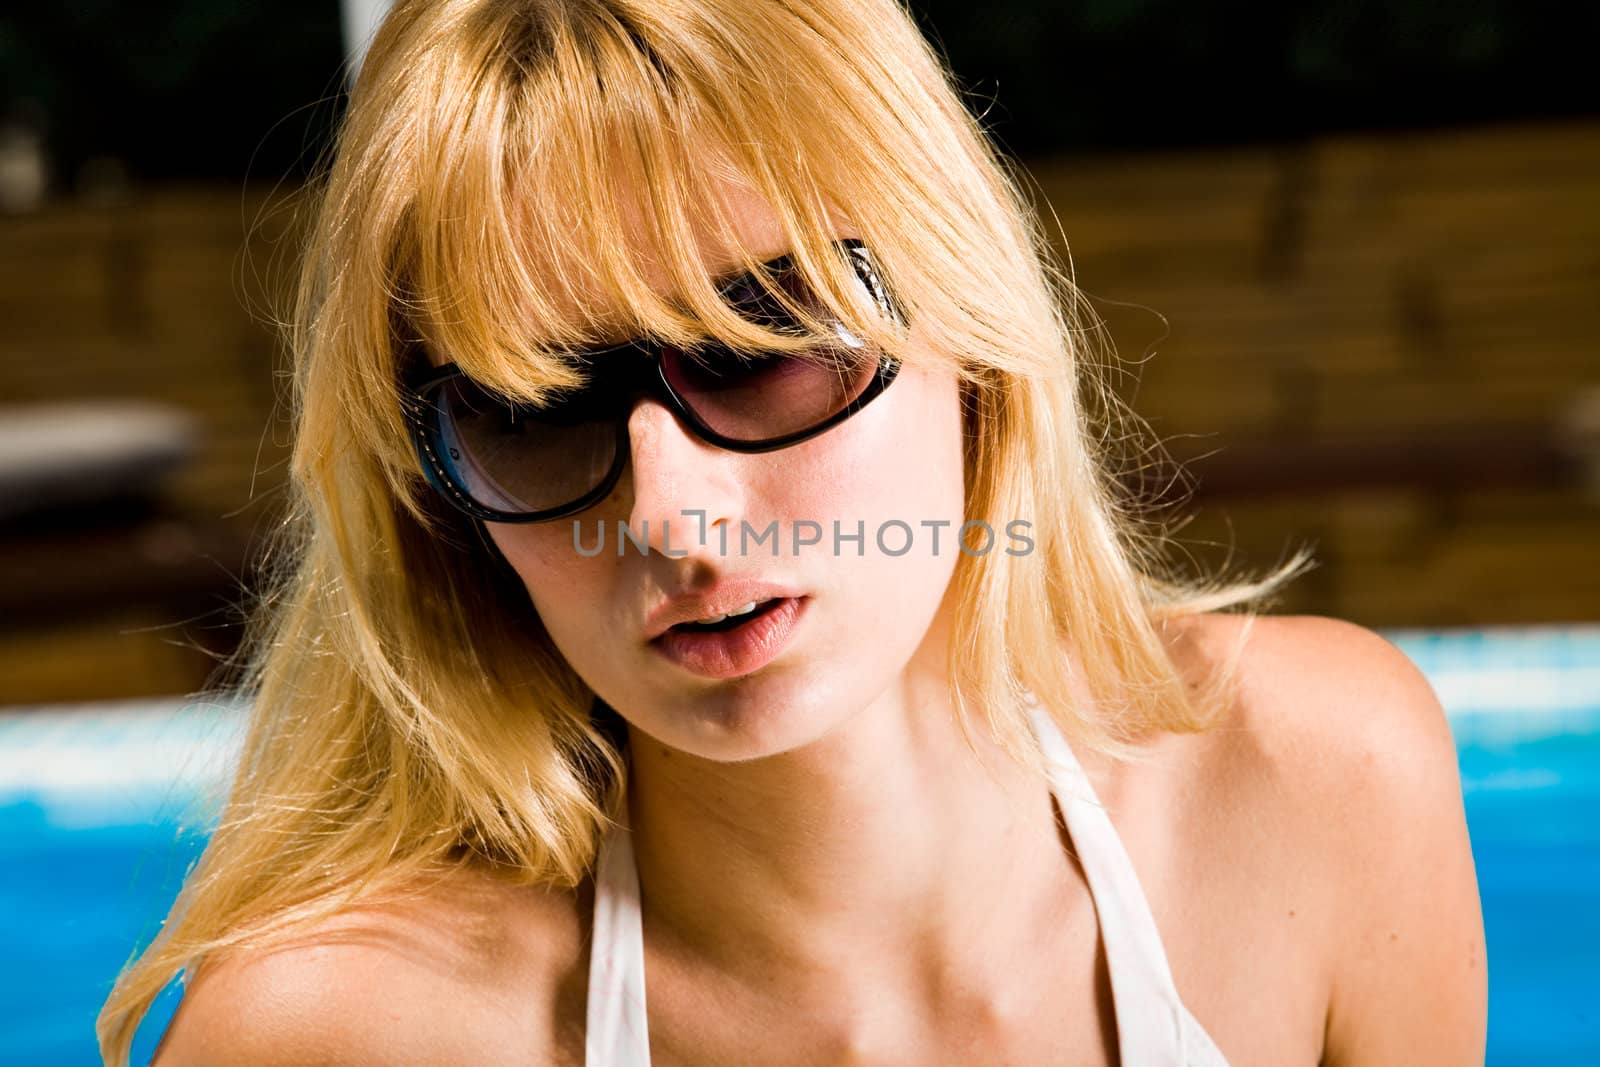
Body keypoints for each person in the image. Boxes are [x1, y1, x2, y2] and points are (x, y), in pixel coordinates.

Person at [99, 0, 1487, 1063]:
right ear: (438, 499)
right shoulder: (349, 1030)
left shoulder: (1317, 784)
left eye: (760, 341)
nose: (672, 516)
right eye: (531, 411)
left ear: (969, 327)